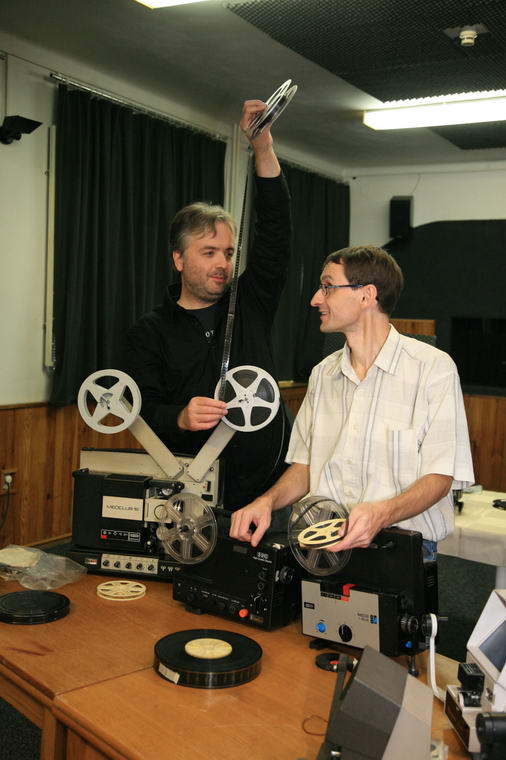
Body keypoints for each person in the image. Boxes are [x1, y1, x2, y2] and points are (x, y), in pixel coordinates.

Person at [229, 245, 474, 554]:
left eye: (327, 287)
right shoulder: (323, 374)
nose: (315, 299)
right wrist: (267, 501)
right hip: (321, 545)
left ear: (367, 295)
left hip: (399, 549)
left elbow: (440, 476)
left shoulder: (432, 369)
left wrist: (382, 513)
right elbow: (306, 466)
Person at [125, 99, 291, 511]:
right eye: (209, 252)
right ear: (179, 259)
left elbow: (276, 233)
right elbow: (142, 410)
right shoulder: (149, 331)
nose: (223, 263)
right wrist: (180, 417)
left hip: (268, 492)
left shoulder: (251, 302)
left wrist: (263, 148)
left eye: (229, 253)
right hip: (191, 495)